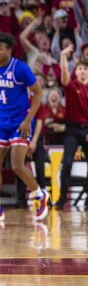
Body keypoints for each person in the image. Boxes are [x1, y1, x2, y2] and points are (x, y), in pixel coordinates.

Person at [0, 32, 48, 224]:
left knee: (17, 165)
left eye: (0, 48)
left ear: (9, 50)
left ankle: (38, 194)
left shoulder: (20, 68)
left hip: (20, 121)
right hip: (1, 121)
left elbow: (38, 93)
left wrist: (28, 120)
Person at [56, 46, 88, 209]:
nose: (82, 71)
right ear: (75, 72)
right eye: (80, 69)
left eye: (85, 69)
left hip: (87, 129)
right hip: (73, 130)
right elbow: (63, 77)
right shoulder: (72, 85)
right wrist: (63, 57)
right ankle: (62, 199)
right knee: (67, 163)